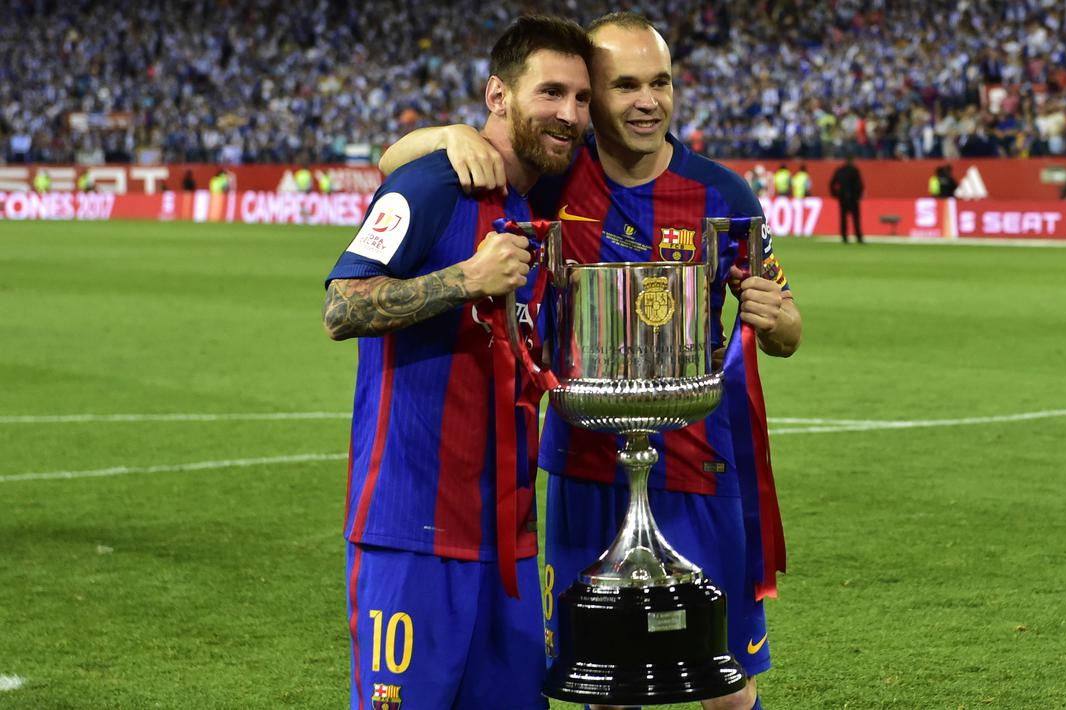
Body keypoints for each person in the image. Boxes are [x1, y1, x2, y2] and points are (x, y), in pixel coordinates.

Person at [380, 12, 802, 710]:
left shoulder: (723, 196)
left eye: (660, 82)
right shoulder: (551, 180)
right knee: (605, 683)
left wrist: (783, 321)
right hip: (583, 468)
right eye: (625, 85)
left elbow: (783, 325)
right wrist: (449, 134)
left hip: (699, 465)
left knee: (723, 686)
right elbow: (395, 162)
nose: (647, 101)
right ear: (589, 98)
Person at [321, 15, 592, 710]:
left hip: (507, 542)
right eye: (551, 93)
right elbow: (343, 307)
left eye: (581, 98)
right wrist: (463, 280)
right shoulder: (434, 184)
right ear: (497, 96)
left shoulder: (540, 198)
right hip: (412, 534)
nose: (569, 114)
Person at [829, 155, 864, 243]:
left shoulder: (840, 171)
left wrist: (835, 194)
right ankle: (858, 237)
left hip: (842, 198)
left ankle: (844, 237)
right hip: (853, 198)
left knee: (843, 218)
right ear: (851, 161)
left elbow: (832, 183)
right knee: (855, 218)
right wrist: (858, 195)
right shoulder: (854, 171)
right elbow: (859, 185)